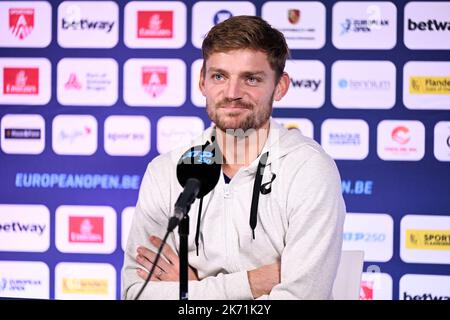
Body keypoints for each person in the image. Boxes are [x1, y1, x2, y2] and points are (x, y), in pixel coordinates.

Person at [121, 15, 346, 300]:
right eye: (219, 76)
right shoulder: (165, 171)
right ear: (202, 82)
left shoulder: (308, 169)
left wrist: (190, 291)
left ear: (280, 86)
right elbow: (136, 293)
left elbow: (300, 297)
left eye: (251, 79)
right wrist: (253, 282)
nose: (232, 93)